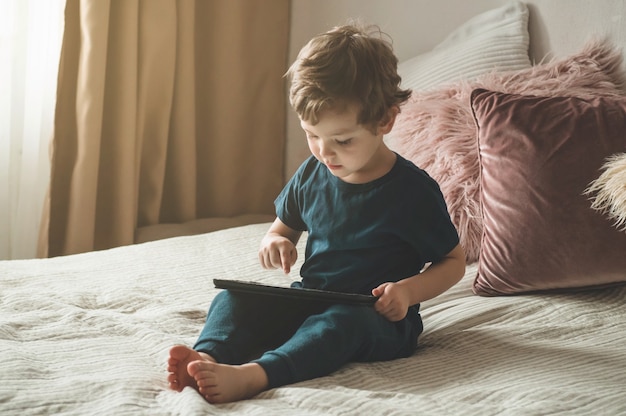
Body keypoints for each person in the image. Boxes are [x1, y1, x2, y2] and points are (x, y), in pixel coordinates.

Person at [167, 23, 466, 404]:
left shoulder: (412, 191)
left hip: (375, 317)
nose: (326, 153)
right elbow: (282, 229)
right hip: (309, 298)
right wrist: (275, 242)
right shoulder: (313, 172)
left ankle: (256, 375)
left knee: (337, 324)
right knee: (234, 298)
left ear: (385, 121)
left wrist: (407, 292)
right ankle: (208, 357)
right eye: (312, 135)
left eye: (342, 140)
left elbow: (453, 261)